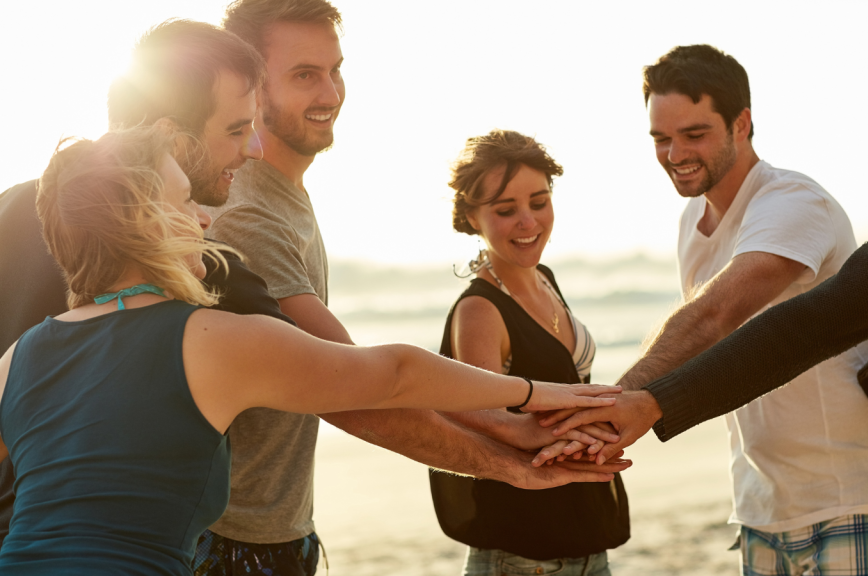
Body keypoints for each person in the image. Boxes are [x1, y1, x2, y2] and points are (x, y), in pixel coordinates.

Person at [0, 125, 623, 576]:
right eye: (182, 201)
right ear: (138, 221)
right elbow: (394, 374)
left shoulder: (19, 357)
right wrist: (539, 393)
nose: (205, 219)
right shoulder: (209, 338)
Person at [550, 49, 868, 574]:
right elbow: (808, 326)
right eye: (662, 137)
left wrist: (626, 402)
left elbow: (716, 314)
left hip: (854, 494)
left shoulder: (792, 201)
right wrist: (650, 403)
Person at [204, 3, 628, 573]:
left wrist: (515, 432)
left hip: (278, 529)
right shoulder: (249, 213)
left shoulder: (283, 196)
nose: (330, 92)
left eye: (335, 69)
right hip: (231, 541)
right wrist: (510, 462)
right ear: (251, 85)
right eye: (305, 74)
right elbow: (349, 386)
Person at [0, 18, 272, 549]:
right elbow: (359, 391)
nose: (255, 148)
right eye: (237, 129)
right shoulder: (188, 261)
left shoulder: (10, 206)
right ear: (171, 135)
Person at [431, 130, 629, 576]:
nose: (528, 221)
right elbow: (482, 426)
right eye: (506, 210)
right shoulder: (480, 311)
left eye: (538, 203)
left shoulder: (545, 277)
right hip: (522, 555)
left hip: (582, 539)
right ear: (471, 215)